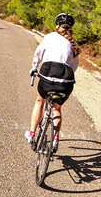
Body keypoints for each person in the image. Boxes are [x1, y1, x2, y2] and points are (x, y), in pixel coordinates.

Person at [24, 13, 81, 153]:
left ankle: (31, 134)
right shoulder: (74, 44)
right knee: (56, 108)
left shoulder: (49, 37)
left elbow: (38, 53)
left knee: (40, 101)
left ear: (57, 26)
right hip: (66, 83)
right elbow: (74, 66)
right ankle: (55, 139)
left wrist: (33, 68)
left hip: (47, 78)